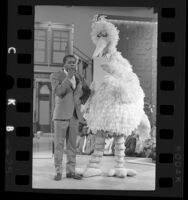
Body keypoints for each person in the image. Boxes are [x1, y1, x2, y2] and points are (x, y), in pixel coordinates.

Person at [50, 54, 91, 181]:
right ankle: (58, 172)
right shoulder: (55, 76)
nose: (73, 64)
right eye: (70, 62)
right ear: (64, 64)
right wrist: (68, 77)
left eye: (74, 62)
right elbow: (59, 92)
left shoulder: (79, 77)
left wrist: (80, 103)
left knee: (72, 146)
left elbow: (87, 91)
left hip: (74, 116)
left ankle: (71, 172)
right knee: (59, 146)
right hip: (61, 116)